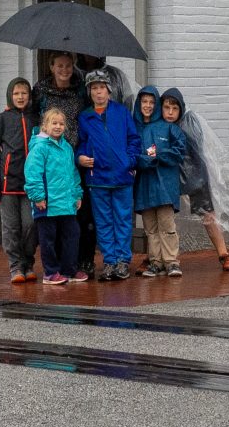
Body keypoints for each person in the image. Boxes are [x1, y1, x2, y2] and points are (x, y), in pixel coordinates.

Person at [161, 88, 229, 272]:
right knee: (162, 216)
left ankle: (223, 254)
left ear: (181, 108)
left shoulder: (189, 122)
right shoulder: (158, 125)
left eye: (175, 108)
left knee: (208, 215)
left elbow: (197, 147)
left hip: (195, 174)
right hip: (169, 175)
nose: (171, 112)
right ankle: (156, 257)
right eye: (167, 107)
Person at [77, 71, 141, 281]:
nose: (98, 92)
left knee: (122, 220)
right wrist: (81, 158)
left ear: (109, 90)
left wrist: (129, 162)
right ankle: (109, 261)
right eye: (94, 88)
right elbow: (82, 144)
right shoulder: (85, 117)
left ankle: (123, 261)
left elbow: (133, 139)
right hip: (98, 179)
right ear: (90, 92)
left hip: (122, 177)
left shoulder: (121, 112)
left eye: (102, 87)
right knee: (103, 222)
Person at [0, 77, 40, 284]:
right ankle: (15, 266)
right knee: (11, 228)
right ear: (10, 95)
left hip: (31, 184)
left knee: (30, 225)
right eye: (16, 93)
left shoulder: (36, 118)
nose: (20, 97)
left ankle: (28, 262)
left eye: (24, 93)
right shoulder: (2, 119)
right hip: (8, 185)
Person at [23, 105, 85, 285]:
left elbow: (73, 174)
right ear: (45, 126)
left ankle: (69, 270)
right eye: (54, 123)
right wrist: (38, 197)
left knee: (72, 235)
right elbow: (33, 173)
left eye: (61, 123)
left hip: (66, 203)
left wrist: (77, 195)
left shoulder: (66, 147)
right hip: (47, 204)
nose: (58, 127)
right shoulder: (40, 147)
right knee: (48, 240)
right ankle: (50, 273)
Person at [133, 85, 188, 277]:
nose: (148, 106)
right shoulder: (137, 127)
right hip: (145, 186)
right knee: (151, 228)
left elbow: (180, 151)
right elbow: (134, 154)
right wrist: (144, 160)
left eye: (151, 102)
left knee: (167, 226)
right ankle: (155, 261)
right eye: (144, 101)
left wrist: (158, 155)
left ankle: (172, 261)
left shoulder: (171, 129)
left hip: (165, 186)